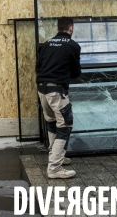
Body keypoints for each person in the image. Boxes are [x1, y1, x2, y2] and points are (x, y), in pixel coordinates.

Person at [36, 16, 82, 178]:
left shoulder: (46, 44)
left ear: (57, 29)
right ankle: (54, 168)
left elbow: (38, 67)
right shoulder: (72, 46)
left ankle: (55, 156)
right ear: (71, 29)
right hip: (57, 92)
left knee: (52, 123)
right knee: (65, 125)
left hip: (42, 90)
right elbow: (76, 73)